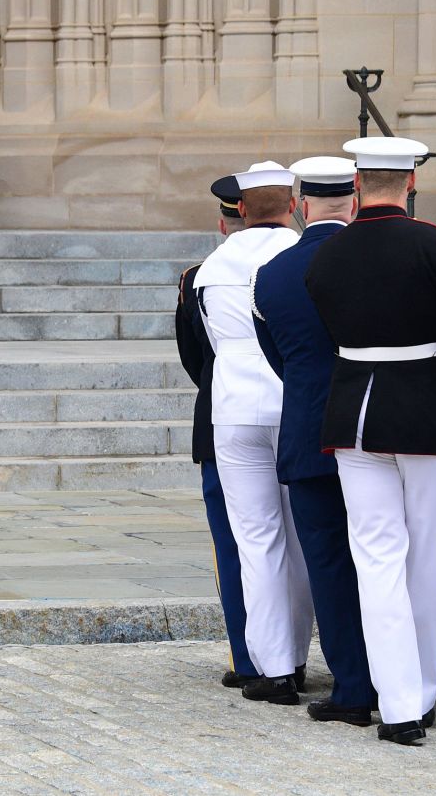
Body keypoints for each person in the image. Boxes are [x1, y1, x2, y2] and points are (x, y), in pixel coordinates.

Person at [305, 137, 436, 746]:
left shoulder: (327, 256)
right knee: (424, 554)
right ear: (410, 185)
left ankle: (398, 701)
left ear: (357, 186)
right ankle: (421, 693)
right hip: (428, 413)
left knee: (376, 559)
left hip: (355, 415)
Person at [251, 156, 375, 725]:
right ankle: (399, 676)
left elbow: (278, 355)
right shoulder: (377, 262)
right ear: (353, 202)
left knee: (327, 561)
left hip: (308, 428)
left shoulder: (273, 274)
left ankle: (352, 685)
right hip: (376, 425)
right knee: (386, 555)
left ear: (302, 207)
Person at [193, 161, 311, 706]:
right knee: (304, 536)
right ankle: (302, 654)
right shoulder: (300, 256)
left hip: (235, 406)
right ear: (294, 204)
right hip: (293, 401)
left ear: (239, 209)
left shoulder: (211, 265)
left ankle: (273, 666)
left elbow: (202, 346)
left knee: (255, 539)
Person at [174, 175, 260, 690]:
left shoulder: (197, 277)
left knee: (234, 544)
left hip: (223, 417)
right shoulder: (297, 266)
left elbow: (194, 360)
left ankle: (251, 660)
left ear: (223, 220)